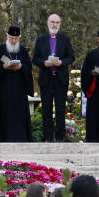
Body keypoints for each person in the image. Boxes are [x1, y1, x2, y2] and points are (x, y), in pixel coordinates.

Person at [32, 14, 75, 142]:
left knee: (61, 109)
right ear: (48, 23)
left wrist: (61, 62)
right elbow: (35, 59)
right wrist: (43, 63)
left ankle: (60, 137)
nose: (54, 24)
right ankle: (48, 137)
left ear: (60, 24)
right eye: (52, 22)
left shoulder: (65, 39)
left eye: (57, 22)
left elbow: (71, 57)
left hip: (60, 79)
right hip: (46, 78)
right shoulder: (41, 40)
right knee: (46, 110)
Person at [0, 25, 34, 142]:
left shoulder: (23, 51)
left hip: (19, 91)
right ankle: (2, 139)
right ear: (7, 36)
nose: (13, 41)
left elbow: (29, 68)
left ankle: (20, 138)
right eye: (11, 38)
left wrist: (21, 67)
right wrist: (3, 66)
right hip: (3, 91)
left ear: (19, 38)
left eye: (16, 38)